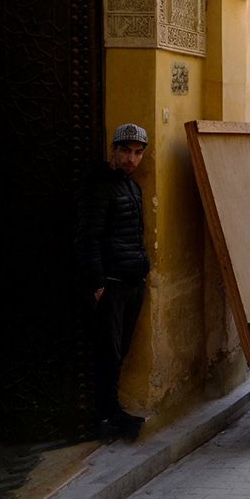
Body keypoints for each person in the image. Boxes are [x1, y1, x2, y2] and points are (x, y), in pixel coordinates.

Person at [75, 123, 151, 441]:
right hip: (112, 286)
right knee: (108, 353)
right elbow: (86, 237)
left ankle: (114, 413)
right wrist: (98, 285)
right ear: (114, 151)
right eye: (126, 151)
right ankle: (105, 418)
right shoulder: (99, 185)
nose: (132, 159)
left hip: (132, 283)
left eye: (137, 153)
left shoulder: (132, 187)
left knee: (119, 352)